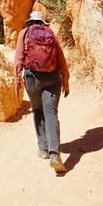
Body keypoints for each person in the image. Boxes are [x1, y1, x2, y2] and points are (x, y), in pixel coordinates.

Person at [14, 11, 70, 173]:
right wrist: (65, 81)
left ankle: (44, 149)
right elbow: (61, 58)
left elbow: (18, 58)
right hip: (52, 77)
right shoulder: (50, 33)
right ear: (42, 23)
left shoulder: (24, 34)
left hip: (33, 78)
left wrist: (17, 81)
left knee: (38, 111)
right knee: (51, 113)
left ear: (30, 22)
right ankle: (54, 154)